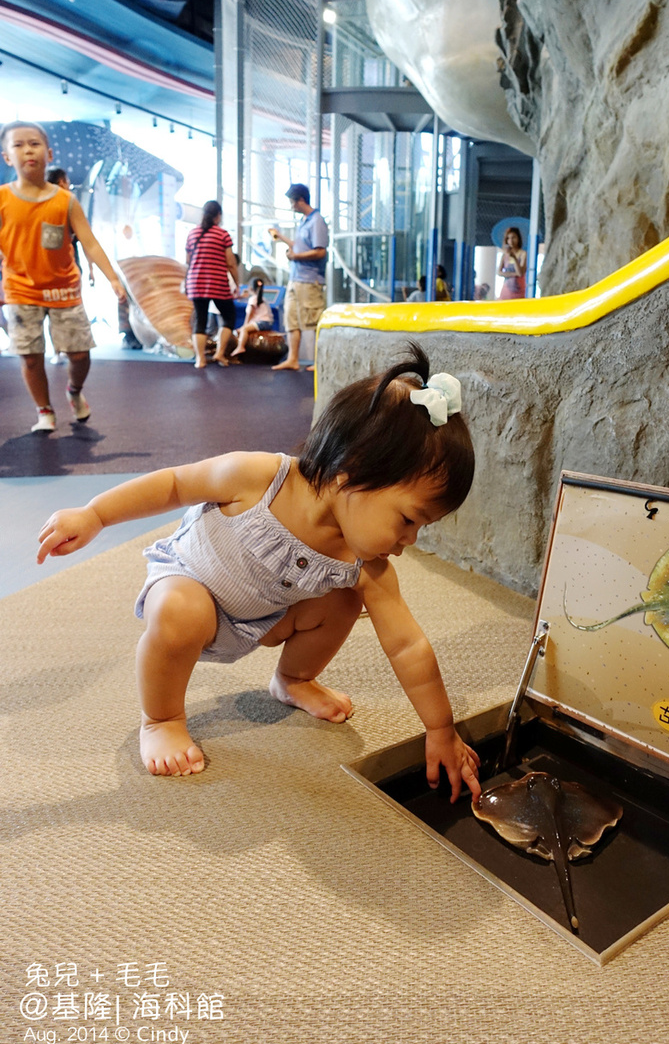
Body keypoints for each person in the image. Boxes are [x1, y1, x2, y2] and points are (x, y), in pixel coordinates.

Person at [37, 343, 482, 802]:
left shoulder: (366, 565)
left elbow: (408, 645)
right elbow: (174, 484)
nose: (410, 540)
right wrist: (95, 514)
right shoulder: (258, 478)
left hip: (260, 619)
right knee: (182, 610)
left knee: (344, 601)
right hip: (189, 584)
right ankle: (162, 718)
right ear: (350, 474)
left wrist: (440, 729)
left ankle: (293, 679)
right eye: (408, 520)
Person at [0, 121, 126, 432]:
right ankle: (45, 411)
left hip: (63, 289)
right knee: (30, 358)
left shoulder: (65, 200)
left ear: (49, 152)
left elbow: (90, 241)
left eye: (34, 143)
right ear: (7, 157)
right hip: (20, 290)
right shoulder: (2, 199)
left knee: (80, 354)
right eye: (18, 145)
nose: (28, 150)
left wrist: (113, 278)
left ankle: (74, 391)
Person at [270, 183, 328, 371]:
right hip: (296, 278)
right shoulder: (305, 221)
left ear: (300, 200)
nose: (291, 206)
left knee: (314, 321)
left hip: (310, 280)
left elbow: (320, 252)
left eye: (292, 202)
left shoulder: (317, 220)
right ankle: (292, 359)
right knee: (292, 319)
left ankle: (320, 361)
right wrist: (281, 238)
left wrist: (295, 256)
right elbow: (299, 245)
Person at [185, 199, 239, 368]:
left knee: (200, 320)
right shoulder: (222, 235)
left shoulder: (192, 234)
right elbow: (230, 262)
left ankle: (200, 359)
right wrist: (237, 282)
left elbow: (188, 260)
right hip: (217, 282)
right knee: (229, 317)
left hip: (196, 282)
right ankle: (220, 354)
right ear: (218, 216)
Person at [230, 276, 274, 357]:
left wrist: (244, 326)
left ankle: (241, 347)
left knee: (244, 329)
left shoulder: (253, 299)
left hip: (262, 322)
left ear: (250, 288)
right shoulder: (262, 298)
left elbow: (249, 313)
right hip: (268, 322)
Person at [497, 227, 527, 299]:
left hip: (518, 290)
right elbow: (499, 272)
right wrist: (514, 274)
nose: (511, 241)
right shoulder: (504, 255)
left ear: (518, 238)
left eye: (513, 237)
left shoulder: (523, 254)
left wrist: (514, 258)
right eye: (508, 238)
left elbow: (520, 273)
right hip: (506, 289)